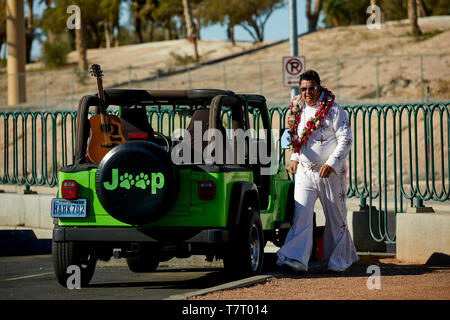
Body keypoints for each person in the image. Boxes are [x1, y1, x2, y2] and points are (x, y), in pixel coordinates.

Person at [277, 70, 358, 273]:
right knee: (301, 214)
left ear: (319, 87)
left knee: (336, 217)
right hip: (305, 172)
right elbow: (298, 138)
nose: (307, 93)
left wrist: (331, 163)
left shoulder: (334, 110)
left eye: (311, 88)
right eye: (303, 89)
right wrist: (294, 158)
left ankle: (340, 259)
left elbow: (346, 139)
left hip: (330, 173)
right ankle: (296, 259)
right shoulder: (298, 108)